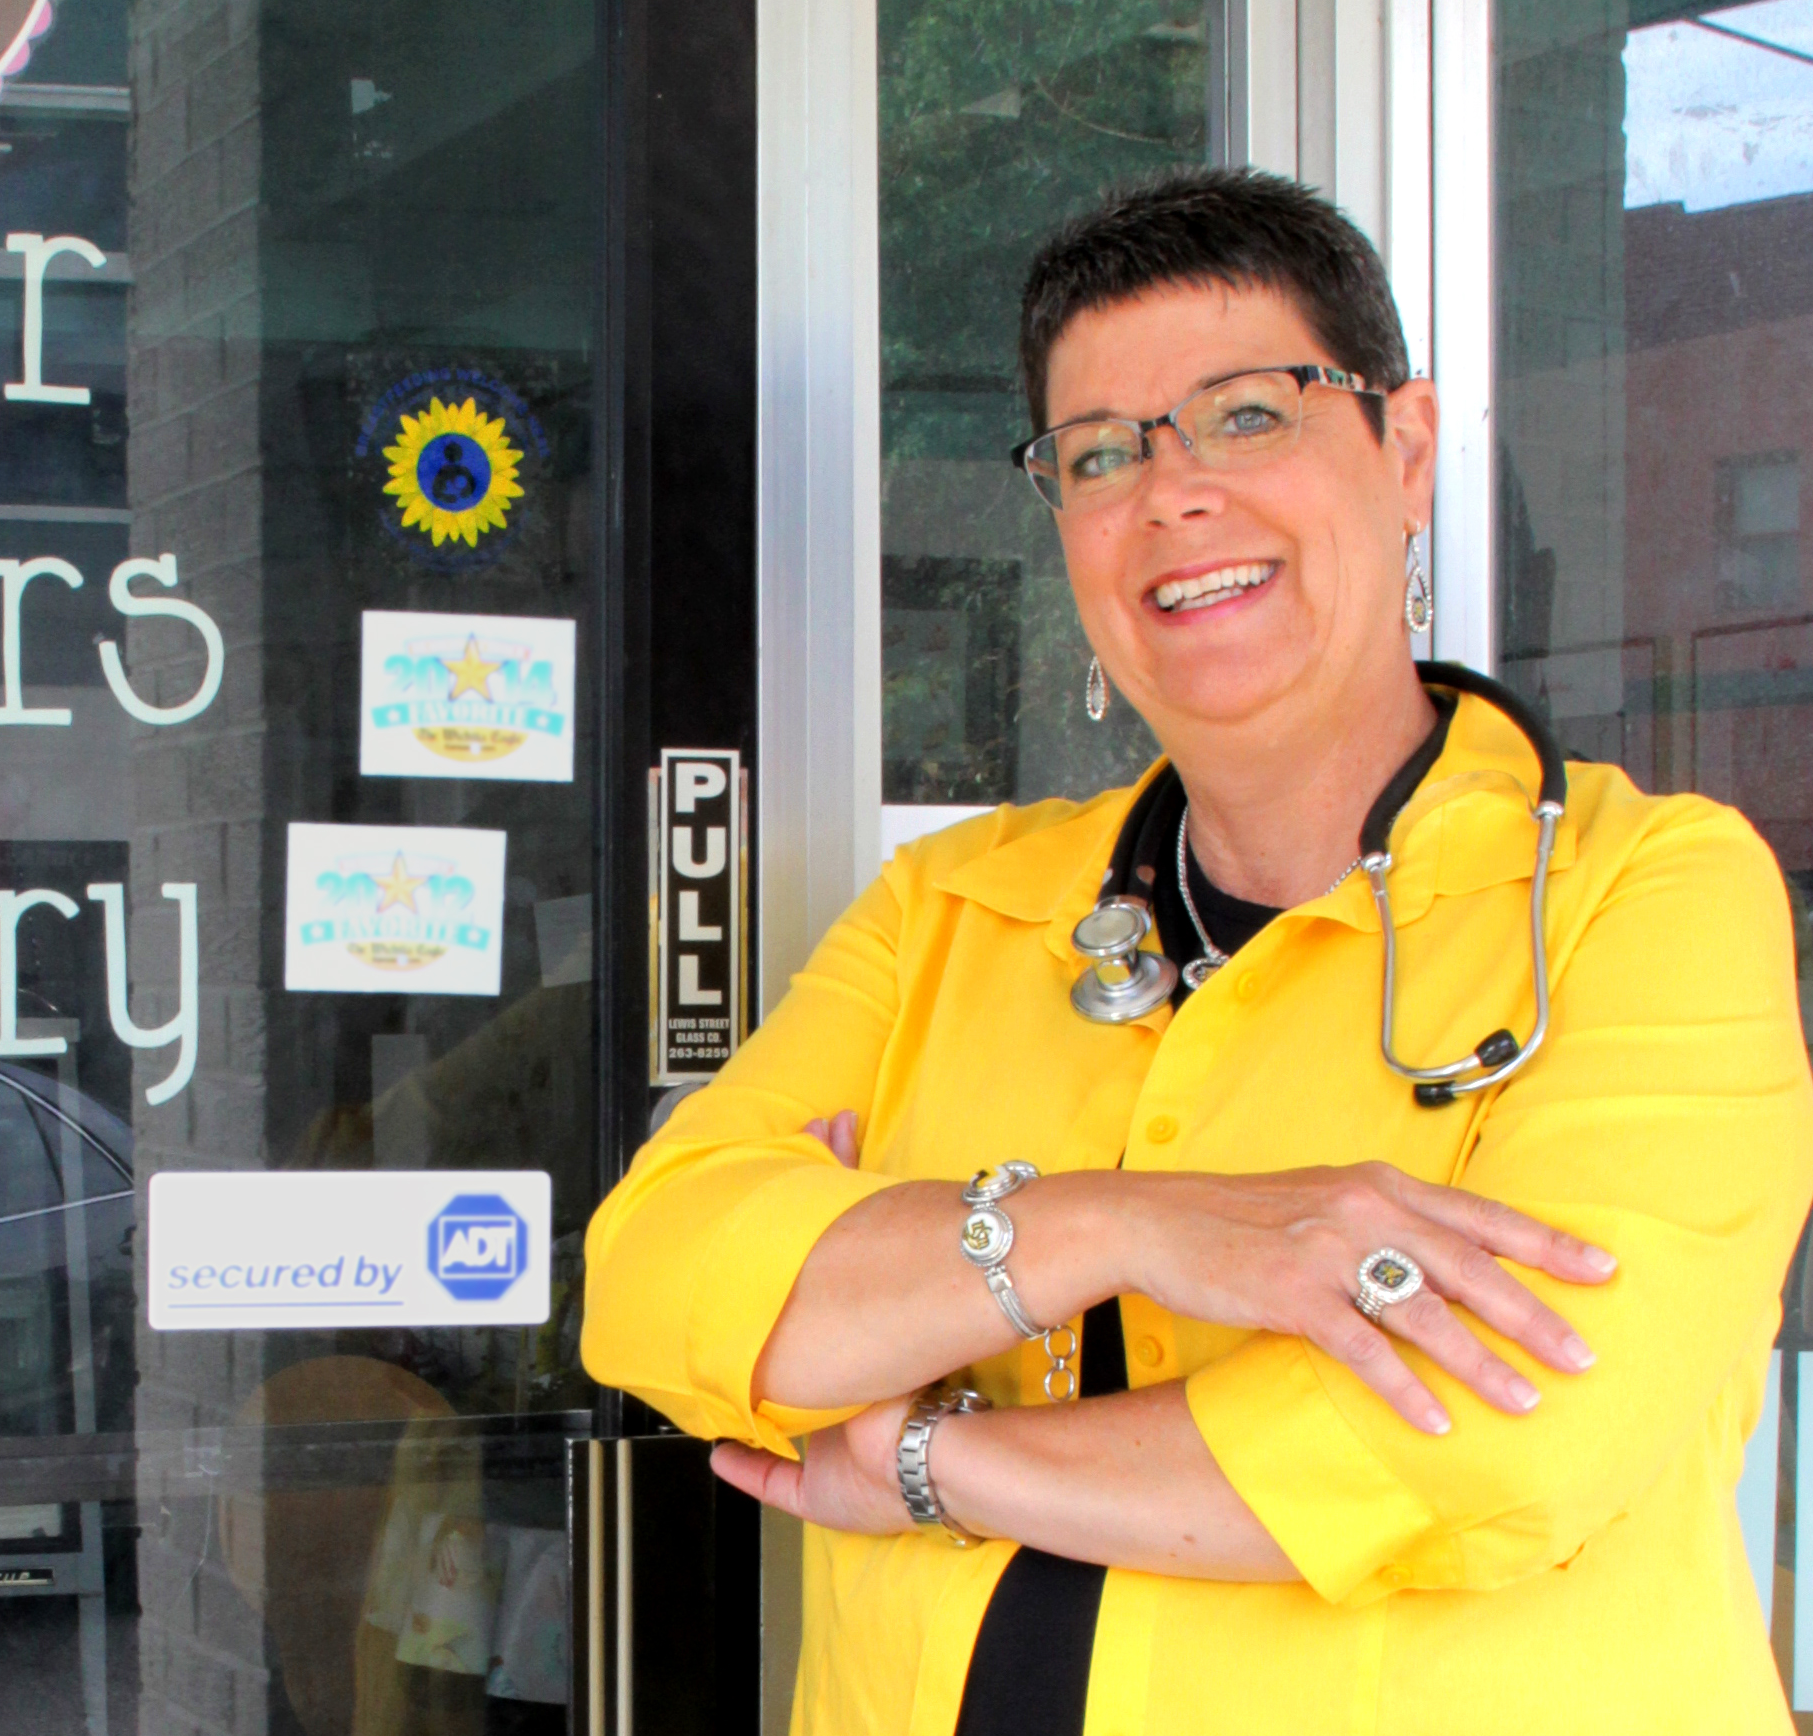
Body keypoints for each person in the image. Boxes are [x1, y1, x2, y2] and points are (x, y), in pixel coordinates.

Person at [583, 168, 1813, 1734]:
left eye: (1248, 415)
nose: (1171, 496)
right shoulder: (949, 910)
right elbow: (658, 1289)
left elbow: (1499, 1442)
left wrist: (919, 1450)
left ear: (1407, 449)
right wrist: (1131, 1230)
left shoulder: (1644, 899)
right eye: (1100, 453)